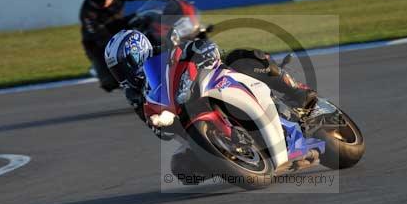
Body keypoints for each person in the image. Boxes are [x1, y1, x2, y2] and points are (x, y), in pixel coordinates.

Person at [104, 30, 317, 130]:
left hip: (207, 77)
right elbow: (156, 127)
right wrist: (162, 124)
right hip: (188, 114)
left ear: (136, 53)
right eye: (116, 71)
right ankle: (235, 154)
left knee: (241, 58)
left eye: (122, 67)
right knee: (182, 168)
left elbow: (196, 46)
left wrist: (200, 50)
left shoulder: (163, 49)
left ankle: (295, 90)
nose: (121, 76)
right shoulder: (135, 95)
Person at [79, 0, 161, 92]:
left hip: (120, 24)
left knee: (146, 21)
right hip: (97, 43)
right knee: (109, 81)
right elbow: (99, 36)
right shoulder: (87, 13)